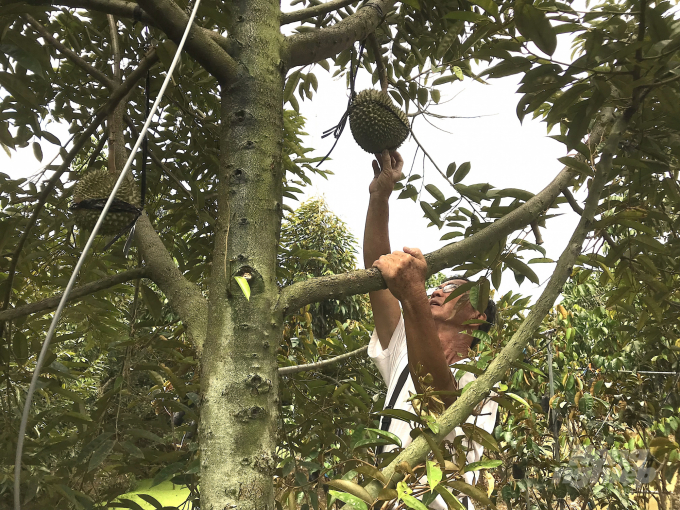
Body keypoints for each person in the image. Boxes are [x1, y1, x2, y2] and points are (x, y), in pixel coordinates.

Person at [364, 150, 498, 510]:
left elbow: (439, 402)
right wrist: (379, 197)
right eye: (436, 286)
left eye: (452, 289)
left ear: (476, 318)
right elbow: (378, 281)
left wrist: (413, 295)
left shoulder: (482, 382)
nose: (437, 290)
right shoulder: (404, 352)